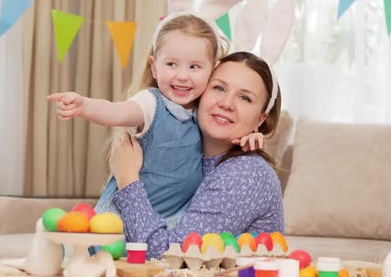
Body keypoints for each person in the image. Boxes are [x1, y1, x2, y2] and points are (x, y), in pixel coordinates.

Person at [46, 15, 264, 228]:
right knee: (97, 250)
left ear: (212, 70)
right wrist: (85, 106)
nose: (182, 76)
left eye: (194, 67)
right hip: (121, 216)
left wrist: (248, 136)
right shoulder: (151, 103)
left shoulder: (204, 113)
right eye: (172, 64)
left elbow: (222, 144)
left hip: (169, 221)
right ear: (154, 67)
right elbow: (118, 112)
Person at [109, 52, 284, 259]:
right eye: (219, 88)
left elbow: (169, 258)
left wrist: (128, 179)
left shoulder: (246, 172)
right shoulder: (185, 156)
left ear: (260, 119)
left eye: (245, 98)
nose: (227, 103)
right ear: (200, 93)